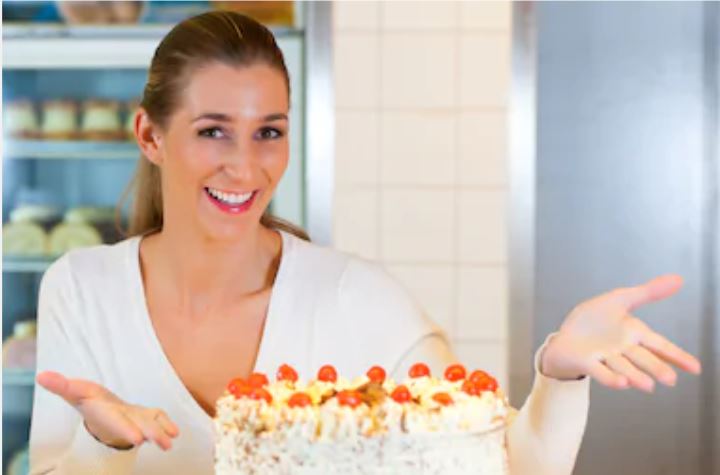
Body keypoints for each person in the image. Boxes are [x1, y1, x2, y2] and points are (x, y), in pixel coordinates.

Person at [28, 11, 701, 475]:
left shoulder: (359, 298)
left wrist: (561, 371)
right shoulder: (82, 289)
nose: (245, 165)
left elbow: (508, 464)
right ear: (150, 136)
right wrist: (99, 442)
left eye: (269, 131)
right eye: (212, 131)